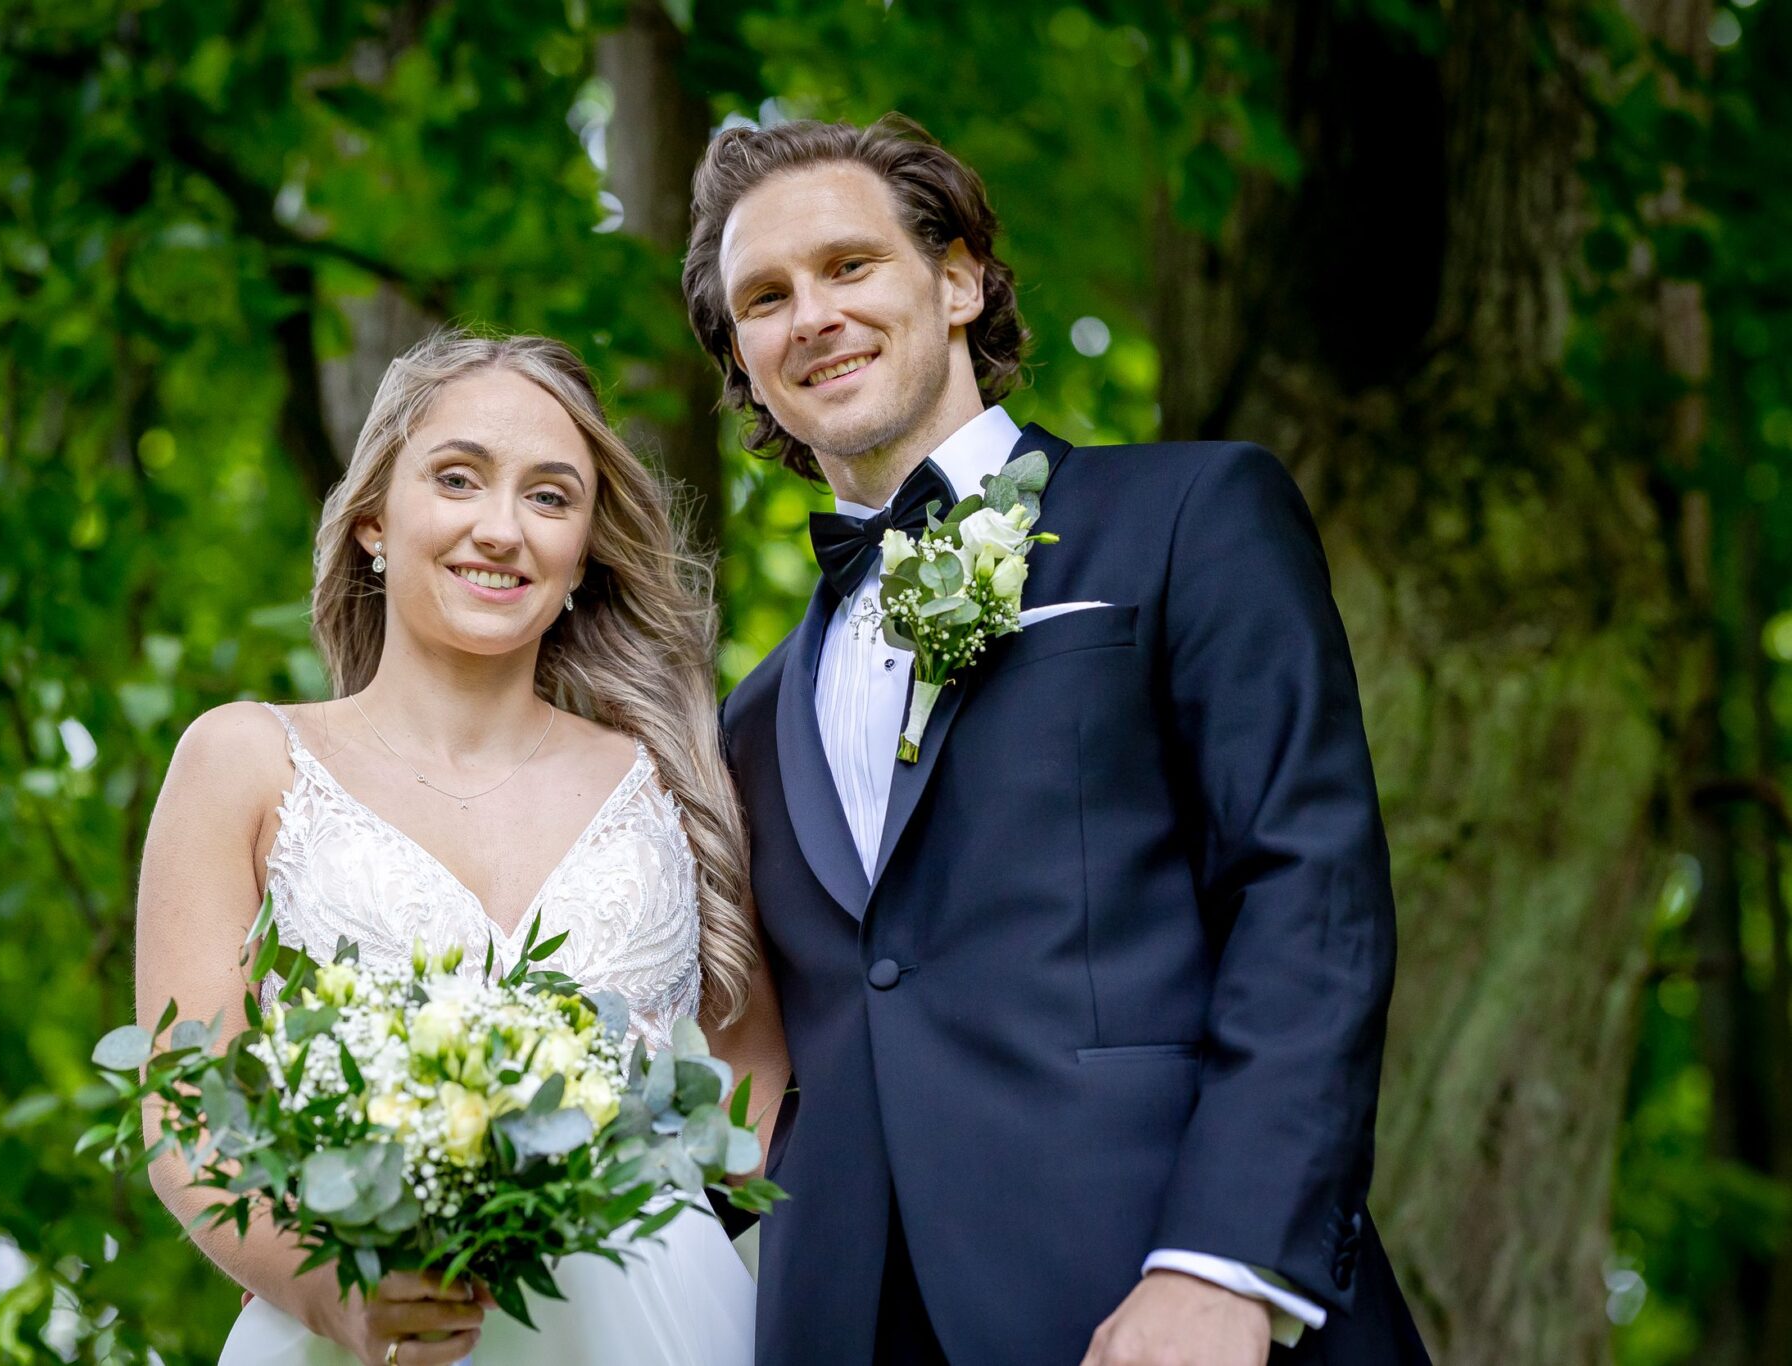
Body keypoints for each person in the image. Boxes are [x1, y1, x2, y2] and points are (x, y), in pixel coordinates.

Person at [687, 116, 1431, 1365]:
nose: (809, 315)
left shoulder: (1189, 516)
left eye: (848, 266)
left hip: (1166, 1294)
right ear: (744, 363)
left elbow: (1307, 893)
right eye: (764, 297)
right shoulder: (747, 720)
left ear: (960, 279)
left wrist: (1224, 1262)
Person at [132, 330, 786, 1366]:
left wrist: (647, 1239)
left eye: (549, 496)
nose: (501, 529)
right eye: (456, 477)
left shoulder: (674, 776)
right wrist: (331, 1291)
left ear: (583, 553)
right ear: (370, 526)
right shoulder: (243, 763)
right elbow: (183, 1111)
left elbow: (749, 1063)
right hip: (363, 1326)